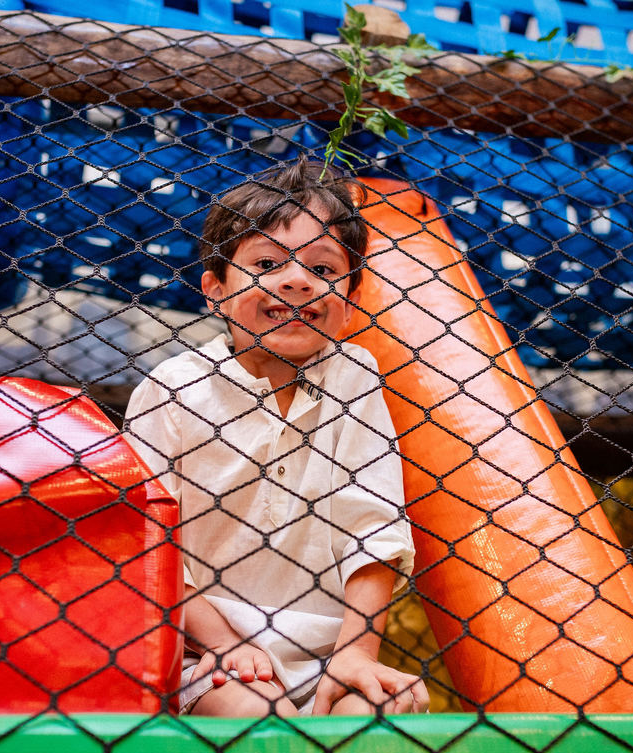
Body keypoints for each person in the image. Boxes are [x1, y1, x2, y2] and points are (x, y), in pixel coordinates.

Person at [122, 158, 428, 717]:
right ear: (215, 289)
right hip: (199, 651)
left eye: (323, 268)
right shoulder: (173, 389)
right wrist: (223, 645)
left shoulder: (354, 377)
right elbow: (146, 543)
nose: (296, 279)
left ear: (350, 300)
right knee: (260, 719)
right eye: (267, 263)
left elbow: (373, 525)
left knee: (381, 712)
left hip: (329, 653)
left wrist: (357, 653)